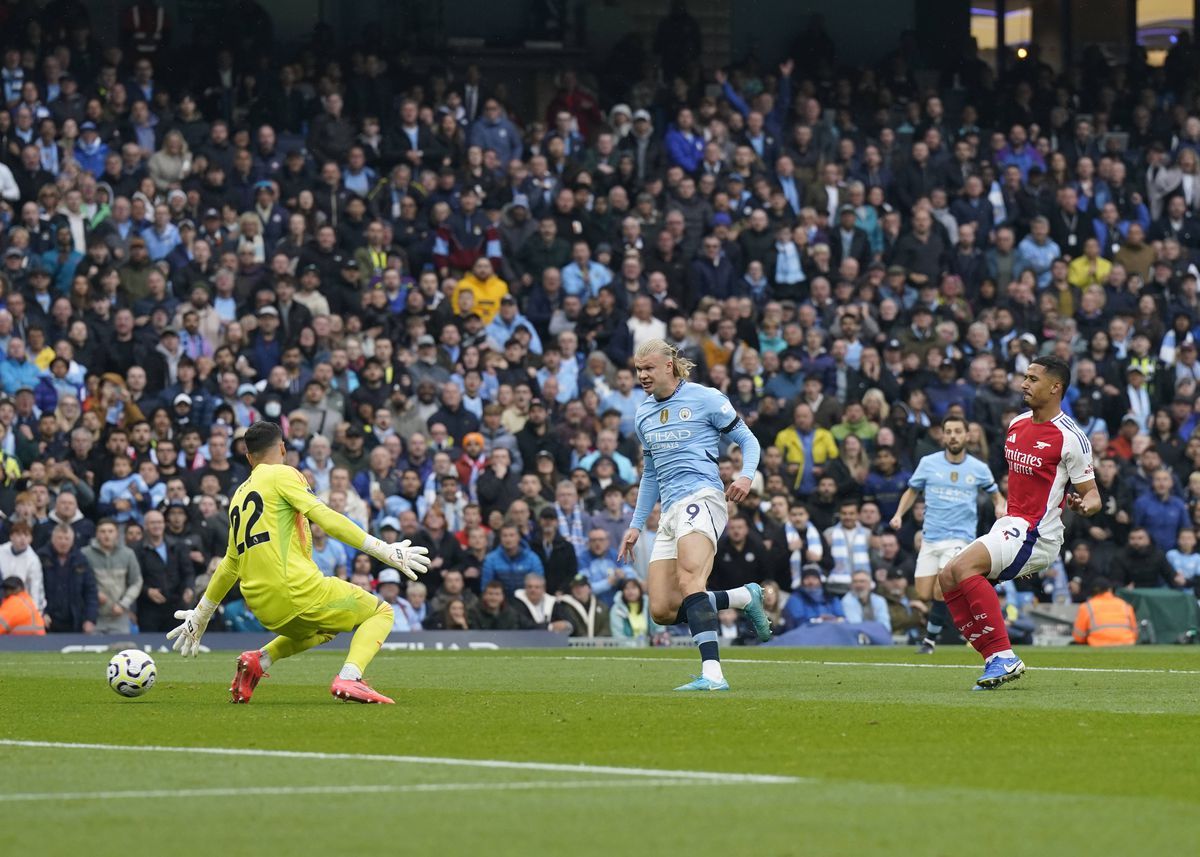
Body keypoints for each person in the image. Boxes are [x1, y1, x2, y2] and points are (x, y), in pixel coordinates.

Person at [165, 421, 431, 704]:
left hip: (263, 608)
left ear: (248, 457)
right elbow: (325, 516)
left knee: (326, 628)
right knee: (381, 612)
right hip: (298, 591)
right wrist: (384, 550)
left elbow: (231, 563)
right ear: (282, 448)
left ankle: (259, 661)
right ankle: (350, 678)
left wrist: (201, 613)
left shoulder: (238, 496)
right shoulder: (283, 474)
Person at [939, 356, 1101, 689]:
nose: (1023, 384)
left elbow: (1093, 494)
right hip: (1011, 524)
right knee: (947, 577)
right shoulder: (1017, 423)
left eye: (1032, 379)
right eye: (1024, 377)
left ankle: (1004, 656)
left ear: (1055, 387)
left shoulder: (1071, 437)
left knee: (965, 569)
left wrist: (1084, 506)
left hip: (1038, 534)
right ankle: (993, 660)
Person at [618, 339, 769, 691]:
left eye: (648, 368)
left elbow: (748, 440)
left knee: (689, 581)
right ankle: (743, 598)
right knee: (663, 609)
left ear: (668, 366)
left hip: (702, 498)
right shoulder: (643, 414)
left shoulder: (706, 398)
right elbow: (651, 474)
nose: (642, 375)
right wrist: (635, 525)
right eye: (638, 369)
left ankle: (713, 675)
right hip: (669, 510)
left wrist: (746, 475)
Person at [890, 415, 1004, 655]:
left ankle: (931, 641)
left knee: (940, 589)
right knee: (924, 593)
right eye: (948, 431)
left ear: (966, 435)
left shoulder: (979, 468)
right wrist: (899, 514)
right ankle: (968, 604)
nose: (953, 436)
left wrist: (999, 506)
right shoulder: (928, 463)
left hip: (959, 538)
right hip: (931, 538)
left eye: (957, 431)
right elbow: (912, 492)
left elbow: (996, 495)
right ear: (942, 436)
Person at [1071, 577, 1138, 646]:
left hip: (1098, 644)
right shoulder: (1125, 605)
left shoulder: (1086, 607)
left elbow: (1078, 637)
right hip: (1126, 643)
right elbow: (1135, 632)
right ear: (1110, 590)